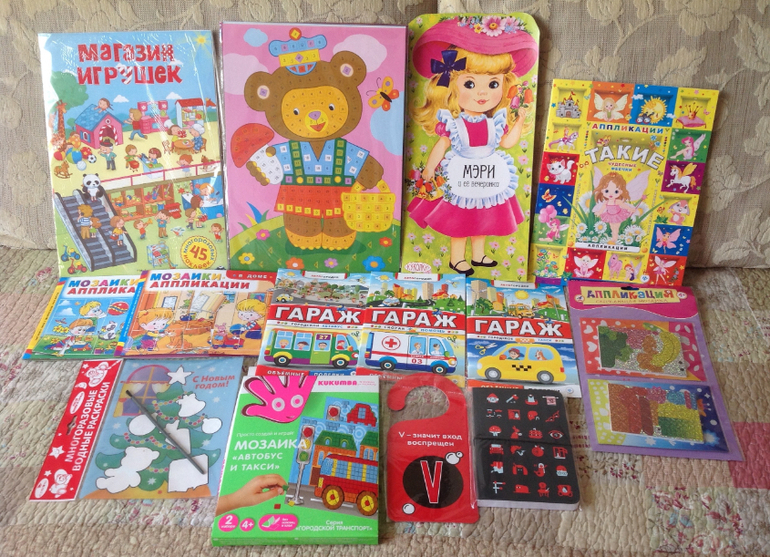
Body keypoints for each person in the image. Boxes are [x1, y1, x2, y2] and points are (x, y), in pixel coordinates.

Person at [406, 18, 537, 276]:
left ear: (504, 85)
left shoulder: (495, 122)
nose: (482, 93)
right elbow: (442, 145)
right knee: (459, 221)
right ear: (452, 86)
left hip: (488, 176)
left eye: (493, 84)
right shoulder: (453, 123)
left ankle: (479, 255)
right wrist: (429, 170)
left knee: (484, 217)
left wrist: (519, 121)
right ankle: (457, 259)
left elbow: (507, 143)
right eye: (470, 83)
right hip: (460, 176)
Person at [593, 172, 635, 244]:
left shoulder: (617, 201)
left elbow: (624, 206)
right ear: (602, 191)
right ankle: (614, 236)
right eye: (607, 191)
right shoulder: (606, 202)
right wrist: (599, 212)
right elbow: (602, 209)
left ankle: (615, 237)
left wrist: (631, 209)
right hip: (610, 215)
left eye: (616, 191)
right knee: (612, 226)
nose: (611, 194)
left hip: (618, 214)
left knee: (616, 226)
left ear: (620, 192)